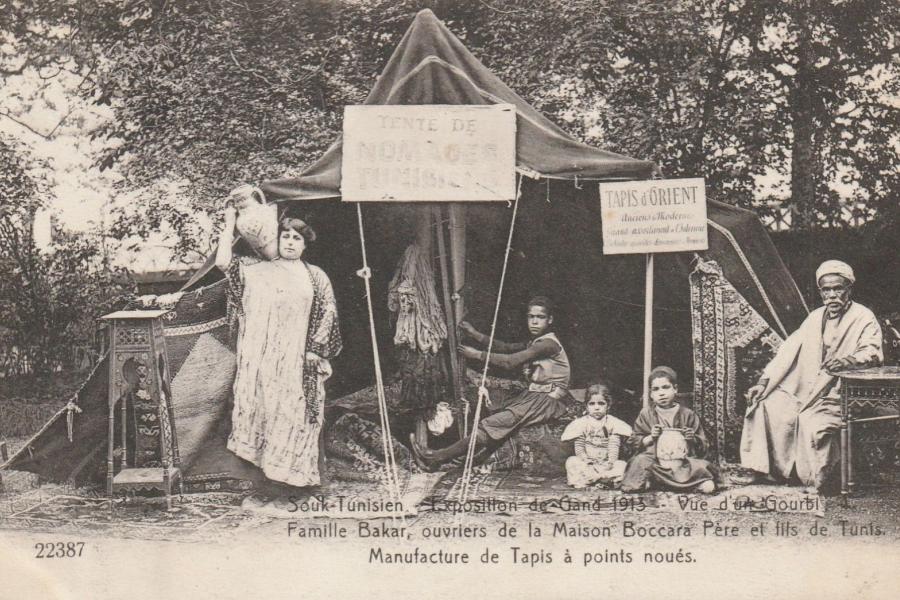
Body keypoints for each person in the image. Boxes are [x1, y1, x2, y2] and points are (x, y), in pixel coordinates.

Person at [215, 201, 342, 496]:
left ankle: (299, 486)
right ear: (277, 238)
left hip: (298, 362)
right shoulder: (256, 270)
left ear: (305, 245)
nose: (290, 242)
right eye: (286, 236)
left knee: (297, 417)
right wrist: (229, 221)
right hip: (263, 363)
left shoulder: (314, 277)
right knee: (265, 414)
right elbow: (223, 263)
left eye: (297, 239)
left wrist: (315, 350)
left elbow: (328, 313)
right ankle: (268, 486)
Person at [740, 260, 882, 490]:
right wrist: (763, 381)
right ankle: (767, 470)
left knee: (812, 421)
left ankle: (814, 478)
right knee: (766, 404)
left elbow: (872, 352)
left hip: (840, 391)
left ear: (849, 289)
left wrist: (847, 361)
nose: (832, 295)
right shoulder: (816, 317)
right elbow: (788, 350)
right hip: (806, 387)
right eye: (826, 290)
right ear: (821, 292)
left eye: (838, 289)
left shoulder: (864, 317)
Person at [409, 296, 572, 469]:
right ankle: (457, 462)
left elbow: (510, 361)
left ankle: (435, 457)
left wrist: (477, 355)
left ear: (550, 320)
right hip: (536, 396)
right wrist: (475, 334)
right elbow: (505, 347)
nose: (534, 322)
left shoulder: (548, 344)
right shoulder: (536, 342)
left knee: (494, 423)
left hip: (546, 400)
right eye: (531, 317)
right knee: (498, 419)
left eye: (540, 317)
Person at [621, 366, 717, 494]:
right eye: (656, 389)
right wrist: (650, 437)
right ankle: (677, 484)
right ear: (651, 394)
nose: (661, 393)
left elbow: (704, 446)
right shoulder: (646, 414)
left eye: (665, 387)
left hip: (682, 463)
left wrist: (692, 438)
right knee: (640, 461)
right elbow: (633, 442)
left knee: (702, 469)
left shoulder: (688, 414)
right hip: (655, 462)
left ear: (675, 389)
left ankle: (662, 483)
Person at [560, 383, 632, 488]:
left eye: (601, 403)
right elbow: (579, 446)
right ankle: (597, 479)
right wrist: (586, 460)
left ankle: (601, 478)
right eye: (592, 404)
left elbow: (614, 445)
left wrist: (611, 463)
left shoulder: (613, 423)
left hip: (606, 465)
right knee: (572, 461)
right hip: (588, 464)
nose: (596, 407)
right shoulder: (581, 423)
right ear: (586, 406)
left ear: (608, 405)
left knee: (622, 465)